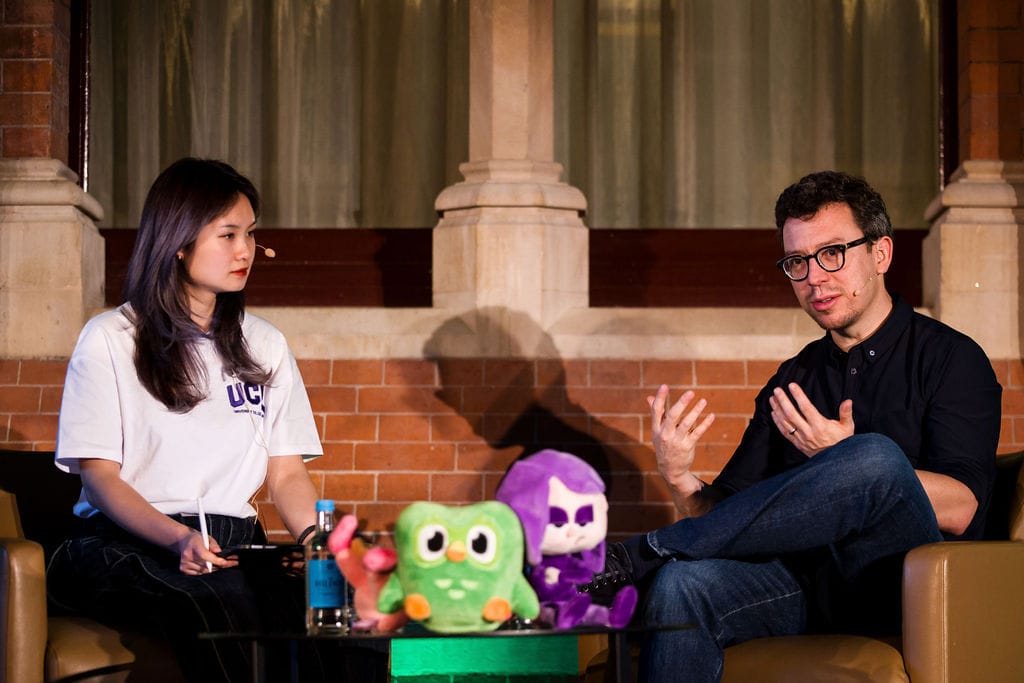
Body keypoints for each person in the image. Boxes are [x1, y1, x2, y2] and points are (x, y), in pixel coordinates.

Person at [582, 171, 1002, 682]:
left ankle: (645, 553)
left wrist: (843, 460)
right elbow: (726, 517)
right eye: (797, 262)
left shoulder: (951, 358)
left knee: (873, 456)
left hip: (903, 586)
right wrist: (679, 477)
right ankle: (654, 557)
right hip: (803, 588)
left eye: (832, 253)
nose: (814, 278)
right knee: (680, 585)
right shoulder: (793, 379)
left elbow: (962, 507)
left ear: (881, 254)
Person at [48, 158, 325, 682]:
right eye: (228, 234)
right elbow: (100, 478)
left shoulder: (264, 343)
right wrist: (178, 539)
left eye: (250, 234)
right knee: (221, 604)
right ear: (178, 241)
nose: (246, 251)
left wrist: (317, 543)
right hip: (126, 542)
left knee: (320, 613)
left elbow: (287, 472)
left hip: (233, 544)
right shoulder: (111, 338)